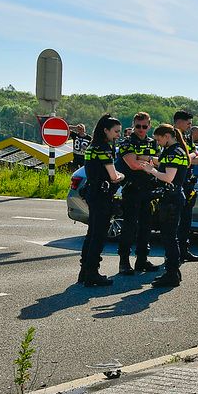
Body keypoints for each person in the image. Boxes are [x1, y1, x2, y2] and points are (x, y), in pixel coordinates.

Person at [141, 123, 190, 287]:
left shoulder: (173, 153)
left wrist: (151, 170)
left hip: (171, 199)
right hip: (174, 197)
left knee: (169, 238)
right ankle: (174, 272)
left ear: (167, 137)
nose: (158, 142)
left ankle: (171, 274)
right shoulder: (177, 151)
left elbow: (168, 177)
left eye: (159, 139)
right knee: (171, 237)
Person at [78, 115, 124, 287]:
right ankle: (92, 273)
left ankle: (84, 271)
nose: (118, 135)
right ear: (106, 130)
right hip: (102, 196)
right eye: (116, 131)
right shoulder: (104, 149)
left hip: (92, 193)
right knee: (98, 236)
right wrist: (122, 175)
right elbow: (114, 176)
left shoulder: (91, 147)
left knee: (91, 234)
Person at [116, 112, 160, 276]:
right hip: (132, 189)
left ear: (149, 125)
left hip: (148, 189)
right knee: (129, 227)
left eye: (144, 126)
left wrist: (145, 159)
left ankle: (142, 260)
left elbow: (159, 163)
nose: (141, 130)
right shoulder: (127, 142)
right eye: (138, 126)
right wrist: (149, 161)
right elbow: (133, 164)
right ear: (133, 126)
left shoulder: (153, 142)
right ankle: (124, 262)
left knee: (146, 227)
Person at [173, 110, 198, 263]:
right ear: (179, 122)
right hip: (176, 183)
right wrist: (189, 157)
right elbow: (187, 159)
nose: (190, 125)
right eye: (188, 123)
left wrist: (188, 157)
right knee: (174, 222)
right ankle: (173, 254)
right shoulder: (171, 136)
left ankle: (184, 250)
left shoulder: (187, 138)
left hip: (188, 184)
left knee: (186, 221)